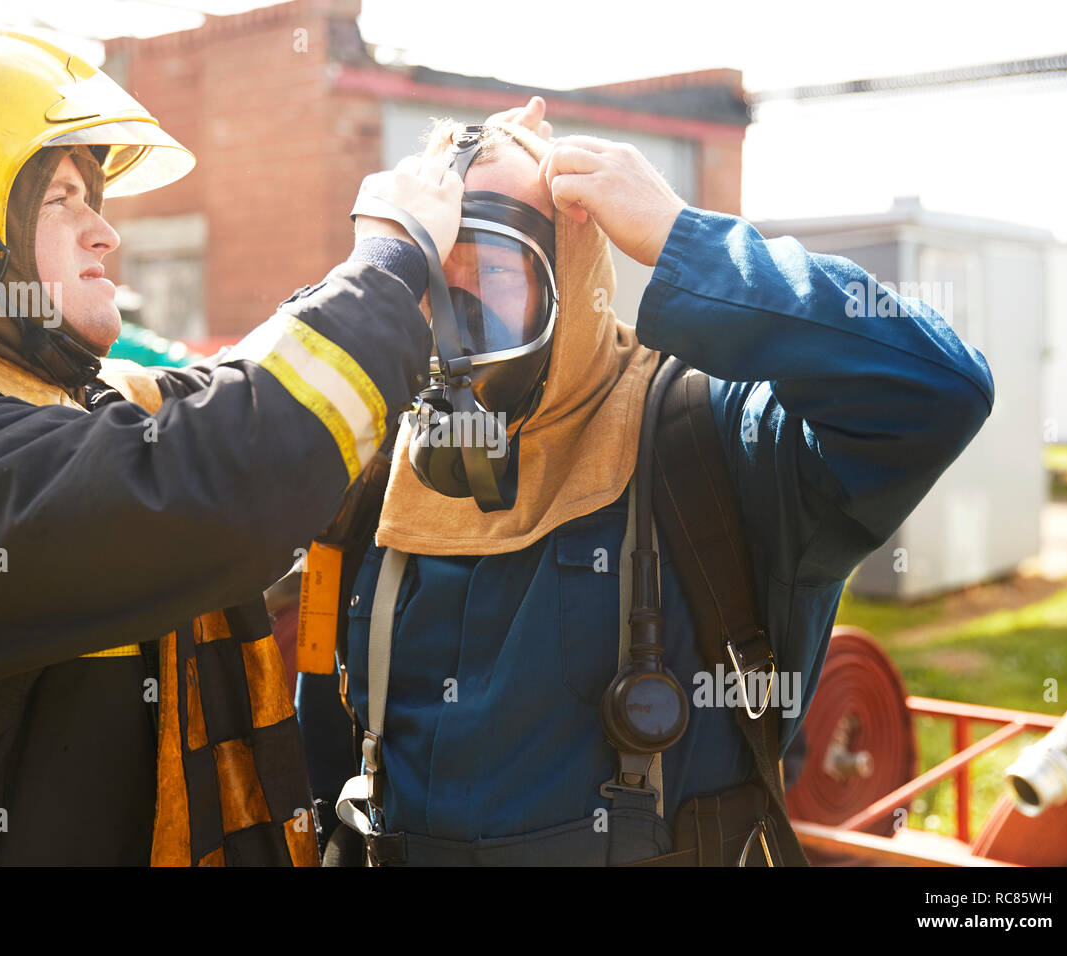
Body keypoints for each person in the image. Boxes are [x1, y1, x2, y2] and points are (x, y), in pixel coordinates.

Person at [0, 27, 463, 866]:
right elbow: (214, 471)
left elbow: (218, 402)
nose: (104, 233)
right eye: (62, 199)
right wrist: (389, 258)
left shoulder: (33, 409)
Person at [298, 98, 994, 866]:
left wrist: (684, 241)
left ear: (573, 274)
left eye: (493, 271)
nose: (452, 323)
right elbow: (320, 746)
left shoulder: (712, 442)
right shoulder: (379, 470)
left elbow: (937, 391)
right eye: (430, 273)